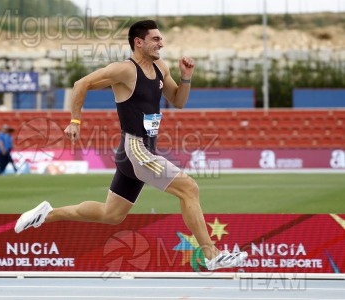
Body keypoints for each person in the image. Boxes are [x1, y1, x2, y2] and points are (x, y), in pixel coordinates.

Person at [15, 20, 248, 270]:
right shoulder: (124, 70)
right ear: (139, 42)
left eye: (161, 38)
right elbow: (80, 84)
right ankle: (211, 254)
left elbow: (178, 101)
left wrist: (187, 78)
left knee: (111, 215)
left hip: (141, 151)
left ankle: (47, 214)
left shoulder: (160, 67)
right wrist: (75, 121)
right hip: (135, 149)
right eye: (155, 39)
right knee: (189, 188)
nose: (161, 43)